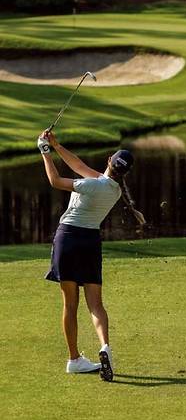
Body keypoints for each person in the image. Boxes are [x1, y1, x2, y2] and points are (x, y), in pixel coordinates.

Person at [38, 129, 144, 382]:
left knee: (70, 304)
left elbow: (55, 181)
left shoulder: (91, 184)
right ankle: (105, 346)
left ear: (109, 160)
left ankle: (74, 359)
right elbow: (79, 166)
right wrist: (56, 145)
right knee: (96, 304)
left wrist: (44, 152)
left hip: (67, 239)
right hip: (90, 243)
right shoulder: (113, 190)